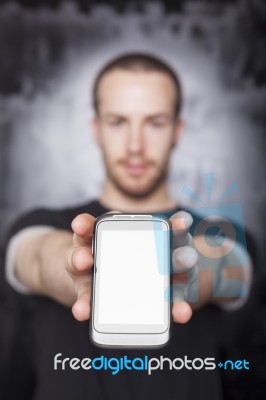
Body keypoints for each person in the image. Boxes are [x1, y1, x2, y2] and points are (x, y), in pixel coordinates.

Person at [3, 53, 254, 400]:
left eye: (155, 122)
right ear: (97, 129)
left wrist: (190, 270)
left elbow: (226, 264)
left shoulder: (223, 236)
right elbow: (37, 258)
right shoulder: (40, 225)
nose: (135, 146)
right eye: (118, 121)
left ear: (177, 130)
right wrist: (78, 267)